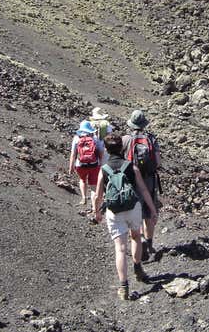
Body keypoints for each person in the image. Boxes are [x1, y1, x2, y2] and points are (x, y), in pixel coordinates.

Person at [94, 134, 156, 301]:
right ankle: (138, 268)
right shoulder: (132, 167)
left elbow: (98, 195)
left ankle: (124, 287)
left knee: (120, 249)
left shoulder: (104, 169)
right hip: (133, 207)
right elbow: (143, 190)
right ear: (122, 148)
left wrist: (96, 212)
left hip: (114, 211)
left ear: (106, 149)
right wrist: (152, 208)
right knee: (136, 237)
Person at [121, 109, 161, 261]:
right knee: (150, 211)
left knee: (134, 211)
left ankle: (139, 240)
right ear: (144, 124)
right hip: (149, 180)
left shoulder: (125, 139)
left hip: (132, 180)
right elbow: (158, 162)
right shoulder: (151, 138)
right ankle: (149, 243)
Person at [68, 120, 104, 207]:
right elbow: (101, 152)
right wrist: (101, 163)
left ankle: (83, 198)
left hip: (80, 165)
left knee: (82, 180)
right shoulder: (94, 138)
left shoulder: (76, 138)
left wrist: (71, 167)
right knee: (93, 186)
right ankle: (94, 206)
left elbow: (73, 154)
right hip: (94, 165)